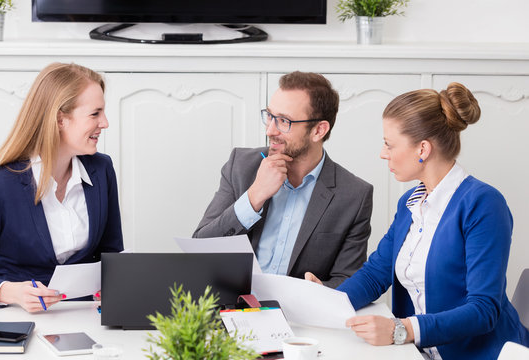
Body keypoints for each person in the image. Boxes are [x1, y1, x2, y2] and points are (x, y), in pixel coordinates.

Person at [306, 82, 529, 359]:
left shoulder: (483, 204)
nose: (382, 153)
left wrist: (401, 329)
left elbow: (484, 310)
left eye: (389, 144)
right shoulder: (410, 202)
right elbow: (376, 273)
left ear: (422, 149)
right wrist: (328, 301)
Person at [194, 71, 373, 288]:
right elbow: (200, 248)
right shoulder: (241, 166)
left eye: (283, 121)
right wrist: (254, 197)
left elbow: (349, 280)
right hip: (234, 305)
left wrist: (320, 290)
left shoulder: (354, 195)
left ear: (318, 130)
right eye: (269, 116)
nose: (270, 130)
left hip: (302, 315)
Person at [0, 63, 124, 312]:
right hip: (21, 320)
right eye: (95, 114)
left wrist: (113, 286)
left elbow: (112, 253)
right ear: (60, 119)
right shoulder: (0, 184)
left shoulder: (102, 169)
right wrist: (8, 292)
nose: (104, 123)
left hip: (88, 317)